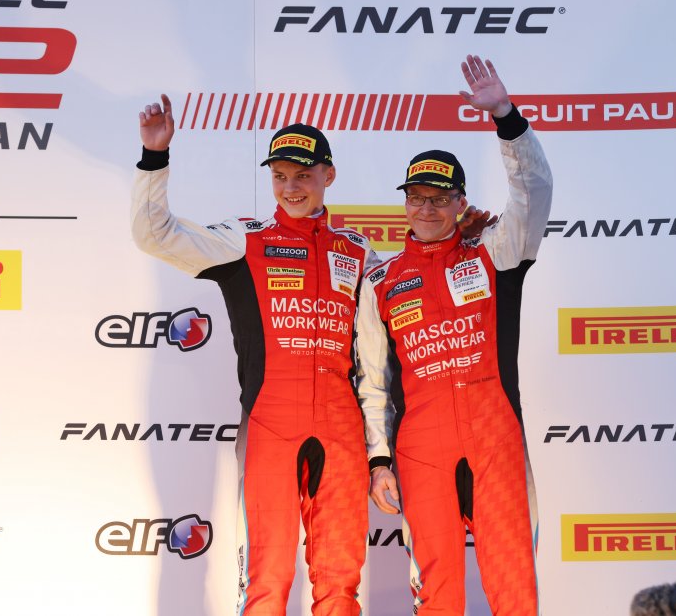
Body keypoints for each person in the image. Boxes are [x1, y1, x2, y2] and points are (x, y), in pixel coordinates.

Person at [131, 95, 377, 615]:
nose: (291, 187)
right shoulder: (245, 240)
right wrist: (155, 157)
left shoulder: (357, 251)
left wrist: (462, 240)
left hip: (343, 430)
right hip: (270, 425)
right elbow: (155, 235)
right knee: (267, 580)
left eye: (303, 175)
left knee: (340, 584)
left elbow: (410, 295)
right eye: (280, 176)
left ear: (328, 175)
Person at [356, 55, 553, 615]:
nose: (426, 208)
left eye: (440, 198)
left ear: (460, 202)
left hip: (496, 436)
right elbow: (373, 381)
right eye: (416, 197)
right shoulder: (380, 280)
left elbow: (534, 192)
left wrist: (506, 117)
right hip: (422, 448)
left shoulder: (494, 252)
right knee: (437, 594)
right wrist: (378, 460)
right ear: (405, 202)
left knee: (514, 587)